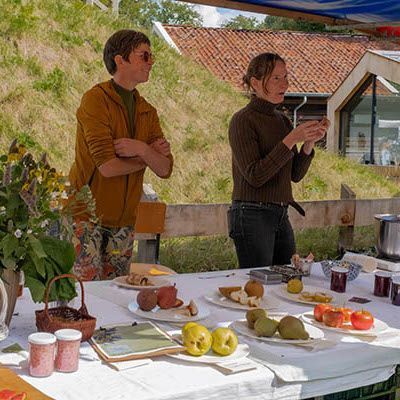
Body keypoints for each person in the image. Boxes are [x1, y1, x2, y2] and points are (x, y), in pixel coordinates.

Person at [69, 30, 173, 281]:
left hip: (124, 222)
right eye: (144, 55)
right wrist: (147, 157)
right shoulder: (95, 100)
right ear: (120, 60)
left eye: (151, 56)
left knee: (117, 291)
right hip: (85, 218)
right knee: (85, 293)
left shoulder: (147, 111)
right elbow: (107, 166)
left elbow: (164, 169)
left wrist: (141, 149)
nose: (151, 62)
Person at [227, 53, 329, 268]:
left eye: (285, 77)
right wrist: (291, 139)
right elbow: (255, 176)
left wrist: (309, 142)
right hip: (251, 214)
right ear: (255, 83)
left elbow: (295, 175)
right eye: (276, 78)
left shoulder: (282, 121)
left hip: (281, 213)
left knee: (288, 279)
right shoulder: (242, 120)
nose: (285, 84)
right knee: (258, 282)